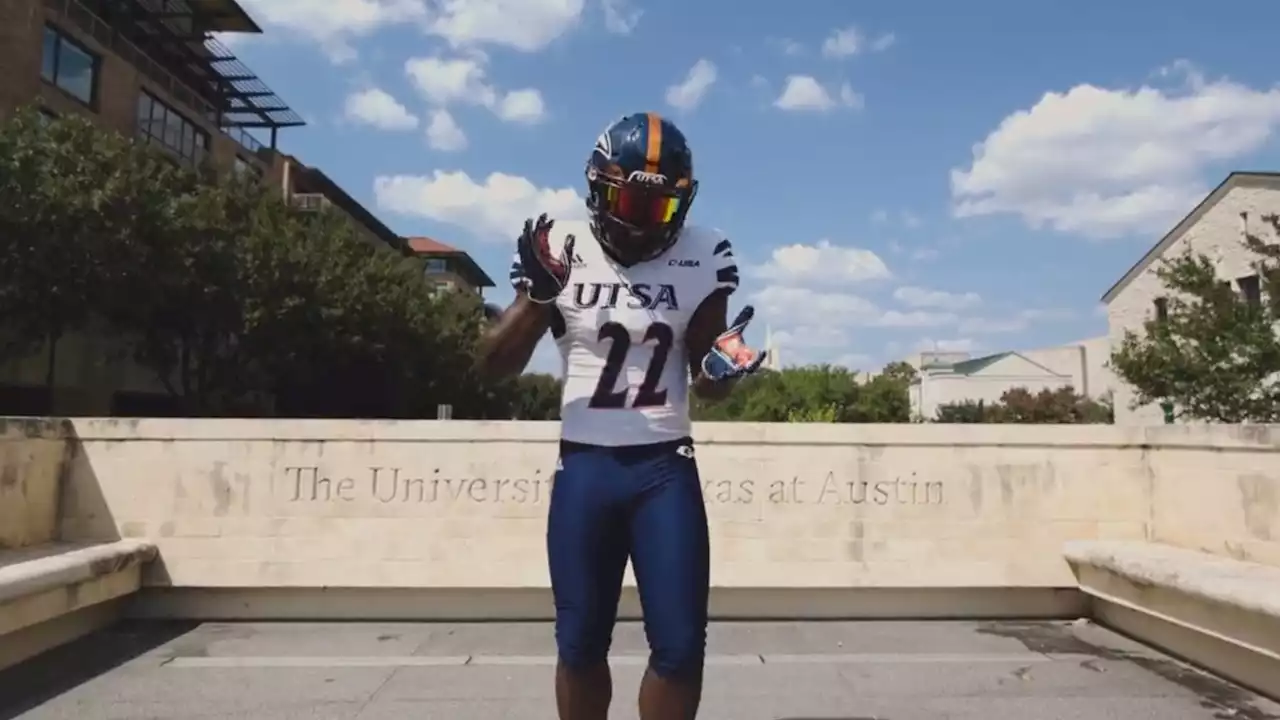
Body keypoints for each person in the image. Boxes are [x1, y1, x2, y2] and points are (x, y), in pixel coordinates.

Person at [479, 111, 766, 720]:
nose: (643, 222)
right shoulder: (558, 242)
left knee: (682, 648)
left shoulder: (704, 251)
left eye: (661, 208)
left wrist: (722, 369)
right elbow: (493, 363)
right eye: (633, 203)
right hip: (585, 465)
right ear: (599, 189)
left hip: (665, 467)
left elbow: (706, 376)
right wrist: (538, 295)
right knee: (580, 647)